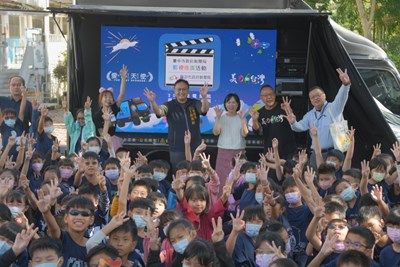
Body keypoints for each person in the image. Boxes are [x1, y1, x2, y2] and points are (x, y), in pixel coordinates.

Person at [284, 68, 351, 168]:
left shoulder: (334, 107)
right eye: (312, 97)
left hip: (333, 153)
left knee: (333, 180)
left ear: (324, 95)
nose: (316, 98)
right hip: (316, 154)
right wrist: (293, 122)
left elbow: (341, 97)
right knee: (315, 180)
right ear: (310, 100)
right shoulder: (309, 115)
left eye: (318, 95)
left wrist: (345, 85)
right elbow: (299, 127)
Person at [144, 79, 210, 171]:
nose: (181, 92)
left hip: (195, 147)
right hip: (177, 148)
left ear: (188, 90)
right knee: (179, 174)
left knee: (196, 173)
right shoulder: (169, 105)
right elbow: (159, 112)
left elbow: (204, 110)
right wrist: (152, 101)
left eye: (184, 89)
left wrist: (204, 97)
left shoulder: (195, 103)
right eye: (179, 89)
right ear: (174, 91)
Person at [251, 85, 296, 159]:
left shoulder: (283, 107)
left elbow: (294, 122)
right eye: (265, 95)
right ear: (261, 98)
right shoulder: (260, 113)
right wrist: (255, 120)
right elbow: (257, 132)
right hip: (270, 153)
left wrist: (288, 110)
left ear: (274, 95)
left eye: (271, 94)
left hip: (288, 151)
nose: (269, 97)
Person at [213, 93, 248, 188]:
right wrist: (218, 118)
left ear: (237, 105)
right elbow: (216, 132)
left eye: (234, 102)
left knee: (239, 178)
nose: (231, 105)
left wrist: (243, 119)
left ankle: (237, 202)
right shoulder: (222, 117)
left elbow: (244, 133)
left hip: (239, 152)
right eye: (228, 102)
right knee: (222, 178)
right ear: (225, 104)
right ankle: (221, 201)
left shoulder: (242, 117)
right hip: (223, 151)